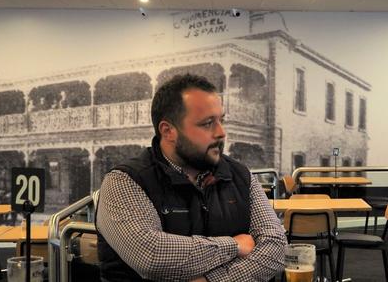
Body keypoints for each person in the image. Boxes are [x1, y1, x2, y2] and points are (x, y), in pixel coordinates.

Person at [96, 74, 286, 281]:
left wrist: (211, 281)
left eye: (221, 120)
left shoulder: (240, 175)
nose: (221, 133)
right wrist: (235, 245)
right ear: (168, 131)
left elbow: (275, 248)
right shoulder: (124, 181)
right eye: (207, 124)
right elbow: (152, 255)